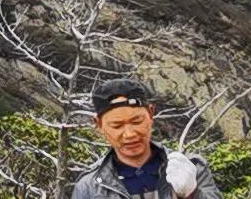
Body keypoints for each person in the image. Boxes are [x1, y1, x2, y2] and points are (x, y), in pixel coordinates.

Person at [73, 80, 206, 198]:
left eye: (137, 121)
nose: (130, 134)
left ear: (151, 113)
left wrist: (192, 194)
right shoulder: (88, 188)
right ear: (99, 125)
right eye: (117, 125)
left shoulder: (192, 168)